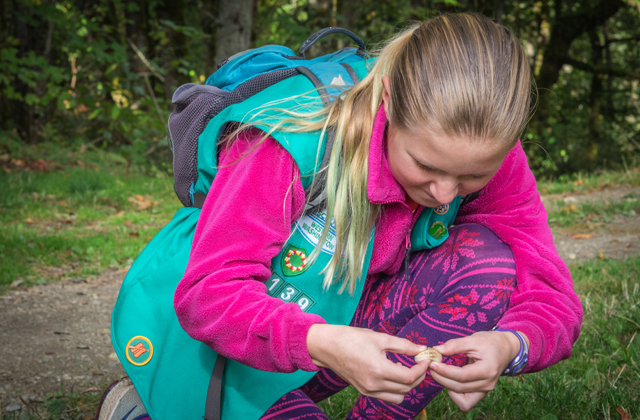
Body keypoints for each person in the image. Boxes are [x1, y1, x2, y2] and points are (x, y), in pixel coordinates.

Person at [100, 12, 582, 420]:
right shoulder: (287, 142)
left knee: (486, 263)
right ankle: (143, 403)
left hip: (337, 316)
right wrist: (321, 341)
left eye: (472, 177)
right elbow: (208, 295)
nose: (443, 194)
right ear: (389, 101)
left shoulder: (479, 150)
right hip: (230, 336)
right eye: (426, 166)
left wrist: (512, 346)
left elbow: (550, 288)